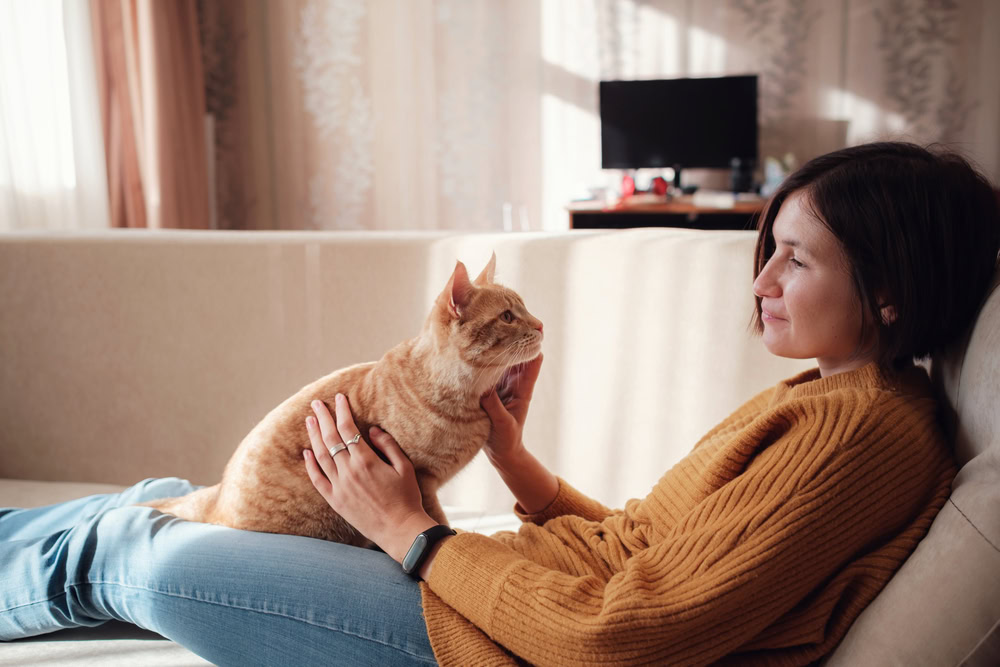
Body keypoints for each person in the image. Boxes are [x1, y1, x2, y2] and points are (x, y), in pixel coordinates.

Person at [2, 142, 999, 666]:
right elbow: (650, 553)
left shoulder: (864, 433)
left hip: (486, 642)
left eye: (796, 256)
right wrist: (516, 463)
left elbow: (628, 635)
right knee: (184, 494)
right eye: (767, 246)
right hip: (504, 599)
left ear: (890, 290)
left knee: (145, 552)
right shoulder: (832, 395)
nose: (762, 276)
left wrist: (413, 534)